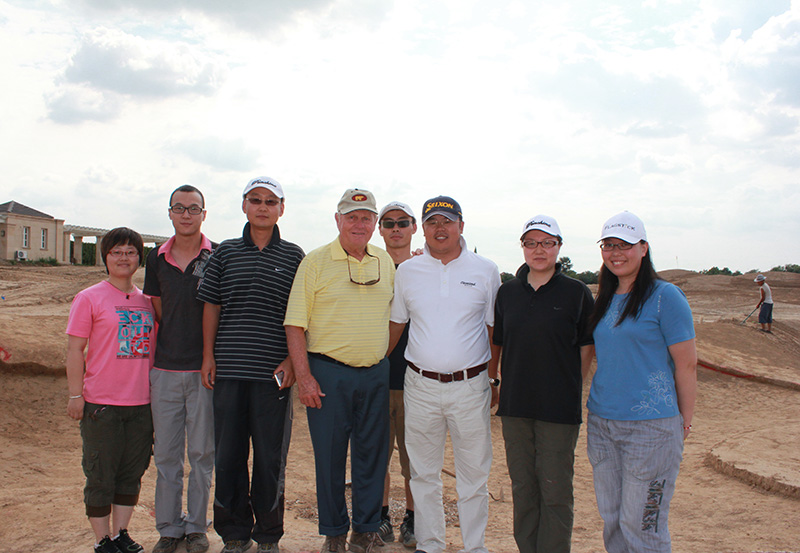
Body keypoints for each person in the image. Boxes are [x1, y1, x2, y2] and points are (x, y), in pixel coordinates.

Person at [284, 189, 395, 553]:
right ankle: (333, 532)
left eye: (366, 217)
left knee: (372, 456)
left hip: (375, 374)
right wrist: (305, 377)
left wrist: (377, 353)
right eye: (352, 216)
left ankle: (365, 528)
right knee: (330, 456)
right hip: (328, 374)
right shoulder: (315, 262)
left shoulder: (385, 262)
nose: (359, 224)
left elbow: (395, 319)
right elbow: (295, 324)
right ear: (338, 220)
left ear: (375, 224)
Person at [197, 177, 304, 553]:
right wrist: (208, 356)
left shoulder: (294, 257)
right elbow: (211, 306)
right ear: (244, 206)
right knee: (228, 456)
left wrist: (293, 360)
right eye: (255, 200)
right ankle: (234, 534)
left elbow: (303, 315)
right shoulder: (224, 253)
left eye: (270, 201)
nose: (263, 207)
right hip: (228, 371)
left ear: (281, 208)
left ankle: (269, 536)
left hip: (273, 376)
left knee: (270, 458)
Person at [388, 196, 501, 553]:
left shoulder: (485, 270)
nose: (440, 229)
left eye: (447, 222)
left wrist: (494, 378)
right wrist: (372, 364)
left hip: (470, 386)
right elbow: (396, 325)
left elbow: (493, 330)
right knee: (422, 474)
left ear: (461, 226)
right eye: (433, 222)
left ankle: (475, 547)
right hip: (419, 385)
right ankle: (430, 545)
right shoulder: (408, 271)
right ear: (423, 228)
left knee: (473, 476)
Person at [586, 211, 696, 553]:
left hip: (652, 427)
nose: (616, 252)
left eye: (625, 245)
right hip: (603, 424)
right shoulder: (603, 298)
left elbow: (687, 364)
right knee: (614, 518)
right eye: (609, 245)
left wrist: (684, 420)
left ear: (643, 248)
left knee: (644, 523)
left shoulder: (666, 296)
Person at [492, 215, 595, 553]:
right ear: (522, 247)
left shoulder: (576, 293)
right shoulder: (507, 293)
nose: (539, 249)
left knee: (554, 490)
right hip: (515, 407)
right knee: (523, 488)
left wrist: (566, 387)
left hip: (558, 410)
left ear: (558, 247)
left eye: (547, 242)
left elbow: (586, 347)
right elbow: (501, 342)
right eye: (531, 243)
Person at [66, 227, 156, 553]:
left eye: (130, 252)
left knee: (131, 473)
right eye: (116, 252)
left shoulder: (148, 301)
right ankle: (101, 540)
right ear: (105, 257)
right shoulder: (89, 298)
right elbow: (75, 350)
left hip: (141, 404)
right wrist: (76, 395)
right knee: (100, 473)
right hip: (101, 404)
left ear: (139, 258)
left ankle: (121, 534)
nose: (123, 258)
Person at [144, 185, 217, 553]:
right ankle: (169, 528)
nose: (186, 214)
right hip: (165, 371)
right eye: (179, 208)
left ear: (205, 213)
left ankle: (197, 527)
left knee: (202, 454)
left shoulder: (218, 256)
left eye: (193, 208)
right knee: (168, 455)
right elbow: (158, 309)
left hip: (204, 372)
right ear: (170, 213)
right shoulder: (155, 259)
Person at [376, 201, 417, 548]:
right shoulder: (370, 266)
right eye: (388, 223)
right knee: (376, 456)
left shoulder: (425, 268)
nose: (395, 228)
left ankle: (414, 520)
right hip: (375, 379)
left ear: (413, 227)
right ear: (380, 229)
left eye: (402, 222)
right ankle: (380, 518)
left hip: (416, 383)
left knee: (414, 459)